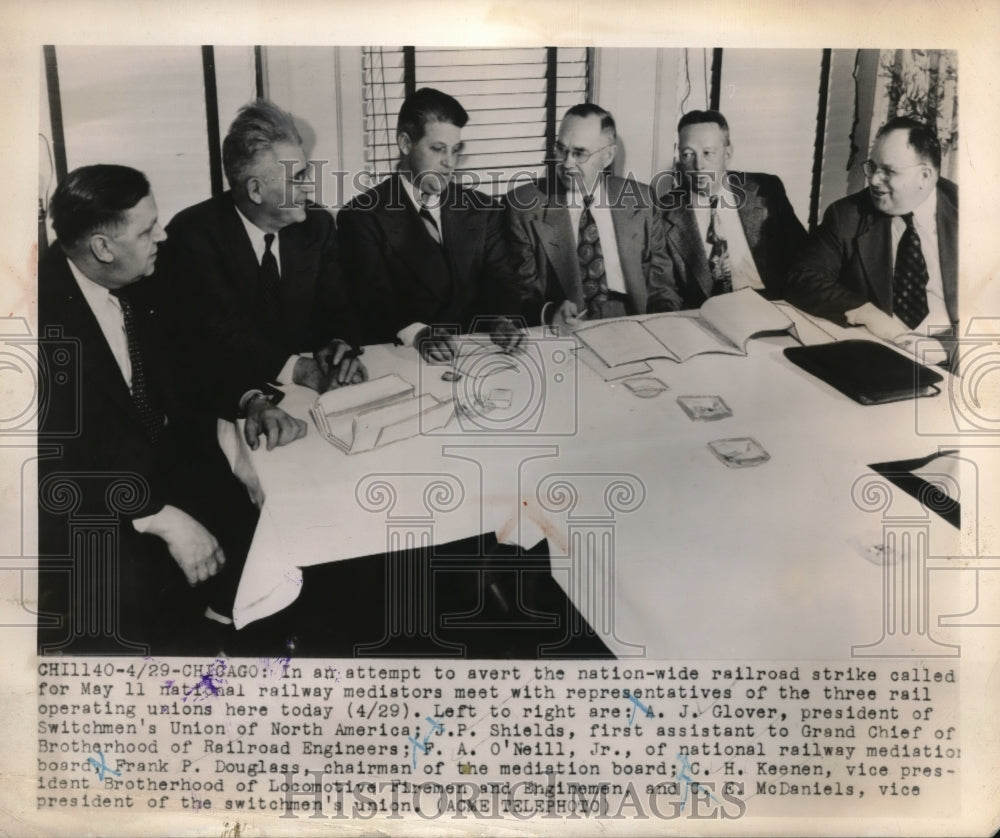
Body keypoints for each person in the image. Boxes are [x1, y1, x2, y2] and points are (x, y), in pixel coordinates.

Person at [37, 165, 295, 654]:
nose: (163, 235)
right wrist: (156, 516)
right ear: (102, 248)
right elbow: (47, 468)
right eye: (146, 230)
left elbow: (193, 361)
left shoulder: (144, 273)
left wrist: (250, 399)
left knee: (271, 509)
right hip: (91, 506)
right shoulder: (32, 316)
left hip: (160, 459)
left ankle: (227, 633)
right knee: (136, 596)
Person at [163, 99, 365, 394]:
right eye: (297, 178)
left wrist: (336, 343)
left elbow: (338, 306)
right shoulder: (191, 236)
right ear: (256, 190)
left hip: (308, 392)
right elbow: (218, 337)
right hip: (234, 395)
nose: (309, 186)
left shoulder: (317, 224)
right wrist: (300, 369)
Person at [337, 87, 524, 362]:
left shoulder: (483, 209)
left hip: (478, 354)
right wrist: (418, 333)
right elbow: (373, 299)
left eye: (455, 150)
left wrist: (501, 319)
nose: (449, 162)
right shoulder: (361, 216)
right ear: (405, 143)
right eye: (438, 149)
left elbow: (501, 278)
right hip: (404, 357)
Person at [785, 116, 957, 346]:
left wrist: (945, 350)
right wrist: (865, 312)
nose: (874, 180)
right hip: (885, 346)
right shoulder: (847, 214)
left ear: (924, 176)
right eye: (873, 167)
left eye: (888, 171)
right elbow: (803, 278)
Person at [507, 103, 680, 330]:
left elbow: (662, 287)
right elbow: (520, 292)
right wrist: (550, 314)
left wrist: (661, 328)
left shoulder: (642, 200)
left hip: (633, 320)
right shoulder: (524, 206)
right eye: (561, 149)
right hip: (568, 326)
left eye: (579, 153)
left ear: (608, 156)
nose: (566, 163)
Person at [658, 109, 808, 309]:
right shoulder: (663, 211)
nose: (698, 165)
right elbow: (664, 288)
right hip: (703, 313)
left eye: (708, 153)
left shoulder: (765, 190)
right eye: (688, 154)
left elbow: (804, 255)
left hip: (770, 304)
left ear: (727, 154)